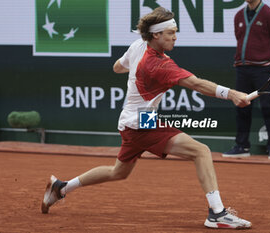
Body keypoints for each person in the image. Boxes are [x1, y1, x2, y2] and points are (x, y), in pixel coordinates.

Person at [41, 7, 252, 229]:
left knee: (118, 172)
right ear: (156, 35)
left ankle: (61, 188)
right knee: (201, 151)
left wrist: (137, 72)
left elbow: (117, 67)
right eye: (171, 32)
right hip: (141, 123)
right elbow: (196, 84)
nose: (175, 37)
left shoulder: (138, 46)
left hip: (132, 121)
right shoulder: (159, 65)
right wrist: (232, 94)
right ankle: (217, 214)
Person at [222, 0, 270, 160]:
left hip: (263, 69)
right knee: (241, 107)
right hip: (242, 68)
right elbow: (239, 37)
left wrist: (267, 58)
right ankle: (242, 146)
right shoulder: (238, 16)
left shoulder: (269, 14)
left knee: (268, 108)